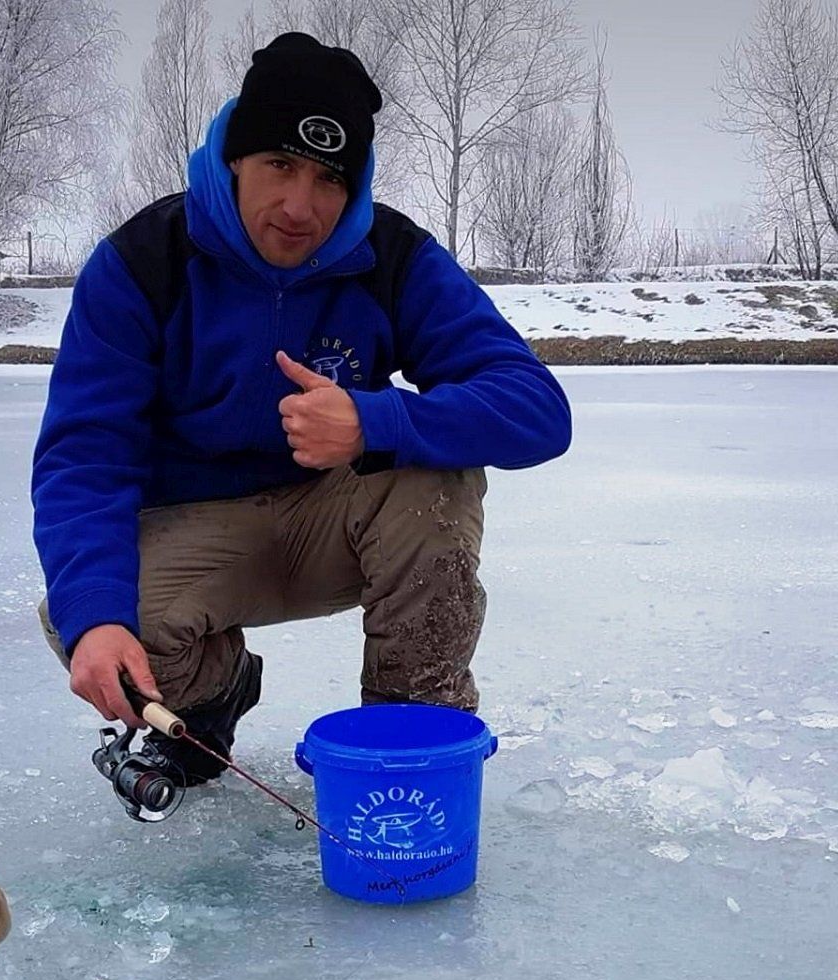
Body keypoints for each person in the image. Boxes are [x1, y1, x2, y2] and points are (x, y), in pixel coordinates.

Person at [31, 31, 572, 796]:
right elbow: (85, 455)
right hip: (203, 530)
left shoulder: (391, 257)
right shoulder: (143, 261)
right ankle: (213, 694)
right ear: (233, 160)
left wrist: (375, 421)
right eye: (279, 165)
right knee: (83, 613)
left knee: (436, 480)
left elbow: (538, 409)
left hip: (336, 522)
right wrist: (98, 615)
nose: (300, 205)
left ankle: (412, 734)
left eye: (329, 179)